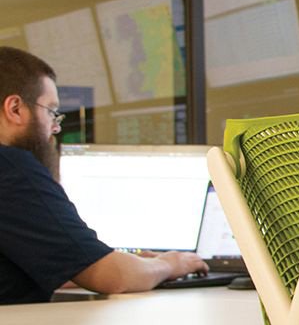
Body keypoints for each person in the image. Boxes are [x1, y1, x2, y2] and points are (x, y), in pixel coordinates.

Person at [0, 46, 207, 304]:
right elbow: (112, 277)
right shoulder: (11, 167)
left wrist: (126, 261)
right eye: (51, 111)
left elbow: (53, 263)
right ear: (15, 108)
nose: (55, 127)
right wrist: (171, 263)